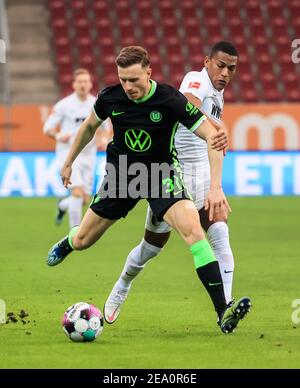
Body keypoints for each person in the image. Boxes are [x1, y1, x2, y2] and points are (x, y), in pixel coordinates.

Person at [46, 46, 250, 334]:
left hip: (160, 175)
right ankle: (69, 241)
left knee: (195, 233)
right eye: (123, 80)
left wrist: (215, 187)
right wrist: (68, 162)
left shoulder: (169, 98)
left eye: (134, 80)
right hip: (121, 177)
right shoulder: (109, 97)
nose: (128, 87)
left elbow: (212, 135)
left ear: (148, 73)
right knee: (83, 241)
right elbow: (90, 127)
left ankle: (222, 312)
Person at [104, 41, 249, 326]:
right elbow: (189, 104)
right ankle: (121, 286)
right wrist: (216, 129)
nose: (225, 73)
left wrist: (215, 185)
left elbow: (212, 141)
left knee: (219, 236)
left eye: (231, 68)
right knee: (151, 248)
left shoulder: (218, 95)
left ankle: (225, 311)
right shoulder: (197, 80)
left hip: (202, 175)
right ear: (207, 61)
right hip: (172, 174)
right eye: (220, 65)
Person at [43, 68, 112, 229]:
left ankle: (63, 206)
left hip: (89, 154)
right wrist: (59, 136)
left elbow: (106, 130)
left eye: (86, 81)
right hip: (68, 154)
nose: (83, 84)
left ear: (90, 84)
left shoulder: (96, 104)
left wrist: (103, 138)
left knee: (84, 199)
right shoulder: (64, 105)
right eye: (79, 81)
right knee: (77, 192)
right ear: (74, 84)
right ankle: (75, 232)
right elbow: (48, 128)